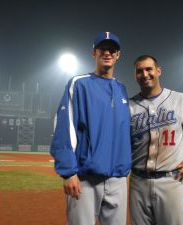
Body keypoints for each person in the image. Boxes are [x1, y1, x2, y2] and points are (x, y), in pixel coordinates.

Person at [50, 32, 131, 225]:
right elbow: (64, 127)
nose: (107, 53)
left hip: (118, 179)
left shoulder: (122, 89)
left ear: (118, 55)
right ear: (93, 53)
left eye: (112, 50)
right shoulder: (78, 84)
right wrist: (68, 172)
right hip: (85, 179)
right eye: (102, 49)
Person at [129, 55, 183, 225]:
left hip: (171, 180)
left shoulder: (180, 99)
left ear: (158, 71)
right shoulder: (129, 106)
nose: (144, 74)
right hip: (138, 182)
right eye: (139, 71)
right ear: (135, 76)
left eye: (149, 69)